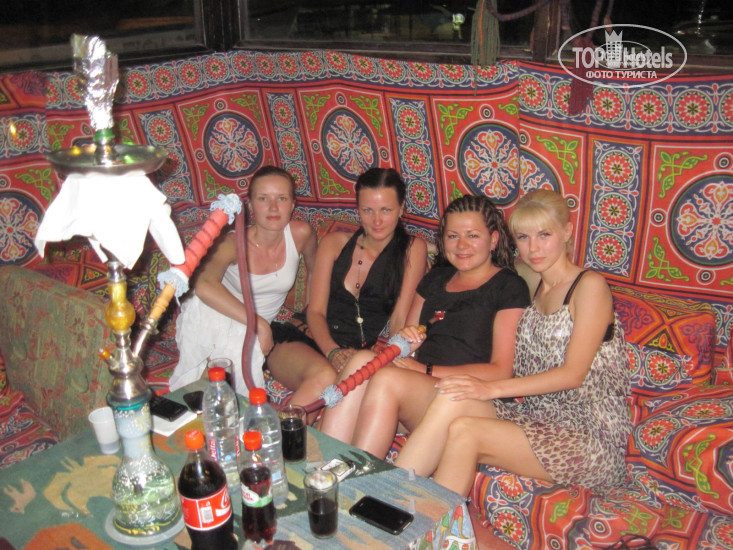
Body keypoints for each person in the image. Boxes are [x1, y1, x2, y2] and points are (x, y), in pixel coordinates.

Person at [394, 189, 631, 497]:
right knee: (453, 395)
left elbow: (573, 375)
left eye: (544, 234)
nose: (534, 248)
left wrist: (490, 389)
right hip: (537, 419)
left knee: (465, 431)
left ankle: (404, 508)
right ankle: (385, 500)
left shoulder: (590, 286)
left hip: (587, 436)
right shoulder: (535, 290)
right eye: (523, 237)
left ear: (567, 232)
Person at [318, 195, 531, 453]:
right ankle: (324, 461)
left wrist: (426, 370)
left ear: (493, 240)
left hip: (466, 397)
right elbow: (403, 346)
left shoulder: (509, 286)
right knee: (360, 360)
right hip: (419, 389)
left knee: (387, 380)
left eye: (472, 236)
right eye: (452, 236)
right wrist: (409, 344)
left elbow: (501, 371)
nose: (462, 245)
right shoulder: (435, 279)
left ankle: (360, 470)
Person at [265, 167, 428, 413]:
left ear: (401, 208)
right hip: (301, 338)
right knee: (325, 378)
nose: (377, 221)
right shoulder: (334, 243)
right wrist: (332, 351)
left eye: (385, 210)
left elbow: (399, 318)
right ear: (358, 209)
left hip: (353, 355)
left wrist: (390, 357)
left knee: (336, 385)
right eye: (368, 210)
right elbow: (315, 311)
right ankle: (281, 431)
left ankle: (279, 429)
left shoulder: (412, 249)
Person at [170, 166, 317, 395]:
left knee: (228, 373)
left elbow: (315, 272)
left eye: (281, 198)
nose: (273, 207)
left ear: (292, 204)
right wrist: (258, 324)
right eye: (263, 198)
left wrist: (310, 316)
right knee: (218, 377)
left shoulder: (301, 234)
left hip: (254, 328)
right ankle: (189, 404)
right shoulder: (233, 243)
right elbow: (203, 286)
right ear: (250, 206)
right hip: (217, 313)